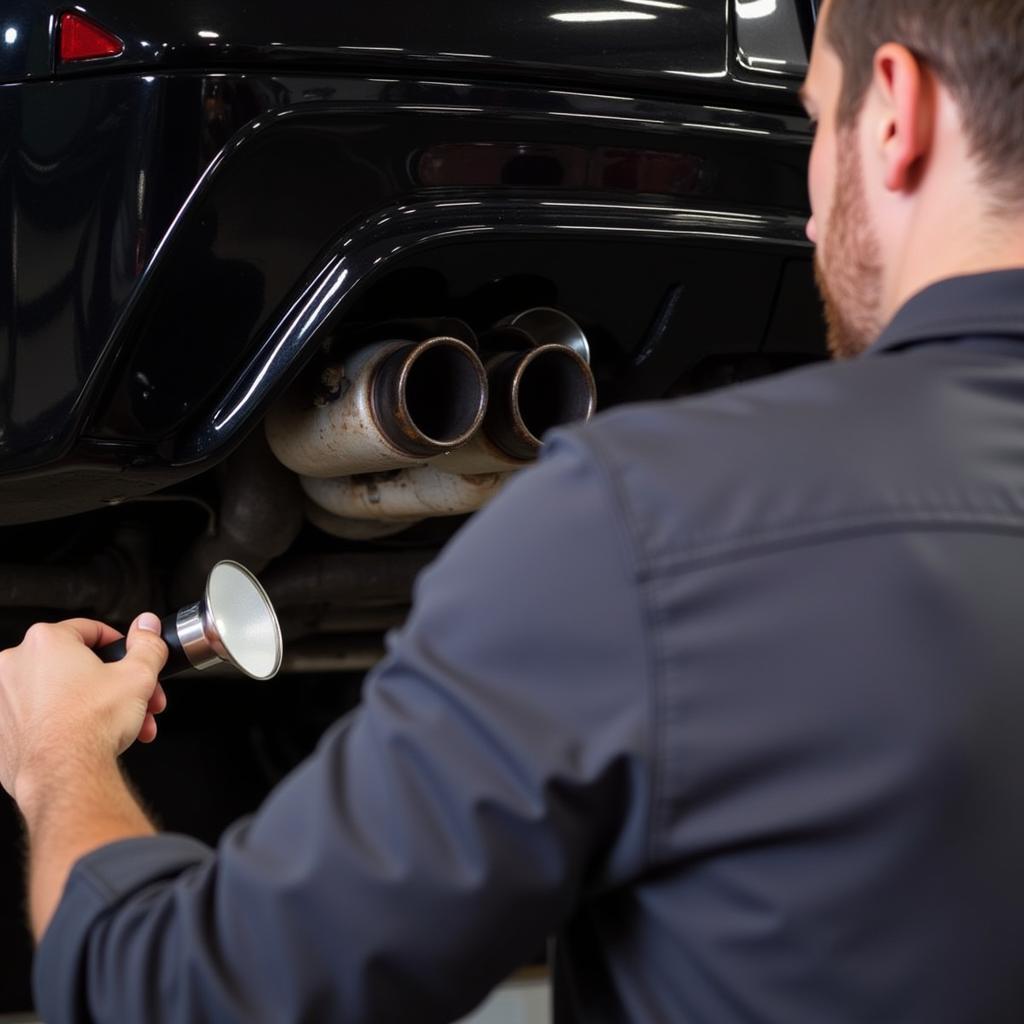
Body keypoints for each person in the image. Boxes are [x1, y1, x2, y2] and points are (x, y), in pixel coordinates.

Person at [4, 0, 1024, 1019]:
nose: (809, 210)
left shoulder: (646, 522)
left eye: (819, 118)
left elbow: (173, 995)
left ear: (895, 112)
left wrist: (56, 753)